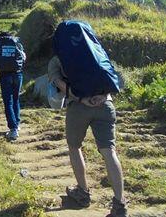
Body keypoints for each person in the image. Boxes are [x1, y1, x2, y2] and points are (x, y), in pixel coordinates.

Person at [48, 21, 128, 217]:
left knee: (75, 147)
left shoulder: (58, 59)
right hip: (105, 104)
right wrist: (102, 96)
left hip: (79, 107)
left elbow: (57, 82)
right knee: (109, 151)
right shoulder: (96, 49)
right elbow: (111, 76)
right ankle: (120, 204)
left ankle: (82, 193)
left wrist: (81, 98)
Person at [0, 31, 26, 141]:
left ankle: (13, 129)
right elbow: (24, 57)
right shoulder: (16, 42)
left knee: (8, 102)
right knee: (16, 99)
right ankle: (17, 123)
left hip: (5, 76)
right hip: (18, 74)